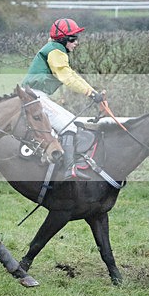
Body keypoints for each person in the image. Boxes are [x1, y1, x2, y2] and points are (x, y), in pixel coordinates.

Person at [22, 18, 106, 180]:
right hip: (35, 96)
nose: (76, 43)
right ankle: (69, 170)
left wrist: (92, 92)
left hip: (36, 94)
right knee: (69, 125)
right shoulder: (55, 51)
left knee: (67, 124)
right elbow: (67, 77)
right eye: (73, 39)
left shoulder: (56, 50)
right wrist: (90, 93)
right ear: (63, 39)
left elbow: (72, 75)